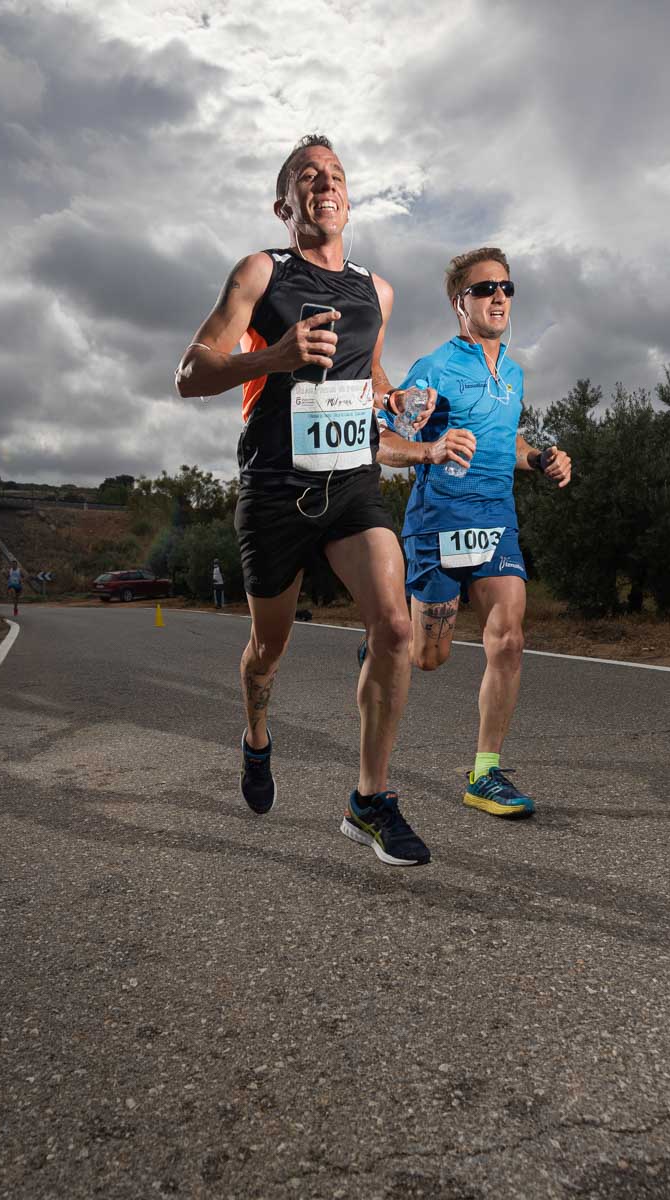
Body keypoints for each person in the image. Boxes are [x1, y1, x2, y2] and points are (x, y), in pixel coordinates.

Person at [175, 134, 436, 867]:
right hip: (273, 487)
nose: (324, 183)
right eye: (307, 176)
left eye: (335, 175)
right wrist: (275, 357)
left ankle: (369, 801)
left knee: (393, 624)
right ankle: (257, 738)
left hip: (351, 481)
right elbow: (191, 373)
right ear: (284, 202)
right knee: (267, 651)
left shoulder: (376, 290)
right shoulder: (262, 271)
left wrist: (398, 403)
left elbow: (372, 373)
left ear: (347, 197)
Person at [376, 247, 572, 818]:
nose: (499, 298)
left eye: (507, 288)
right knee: (429, 658)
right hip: (437, 529)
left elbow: (505, 442)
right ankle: (390, 643)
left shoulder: (512, 373)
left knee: (507, 638)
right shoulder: (434, 369)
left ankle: (484, 775)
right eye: (486, 289)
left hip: (496, 527)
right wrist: (430, 449)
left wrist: (538, 460)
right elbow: (384, 443)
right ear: (459, 303)